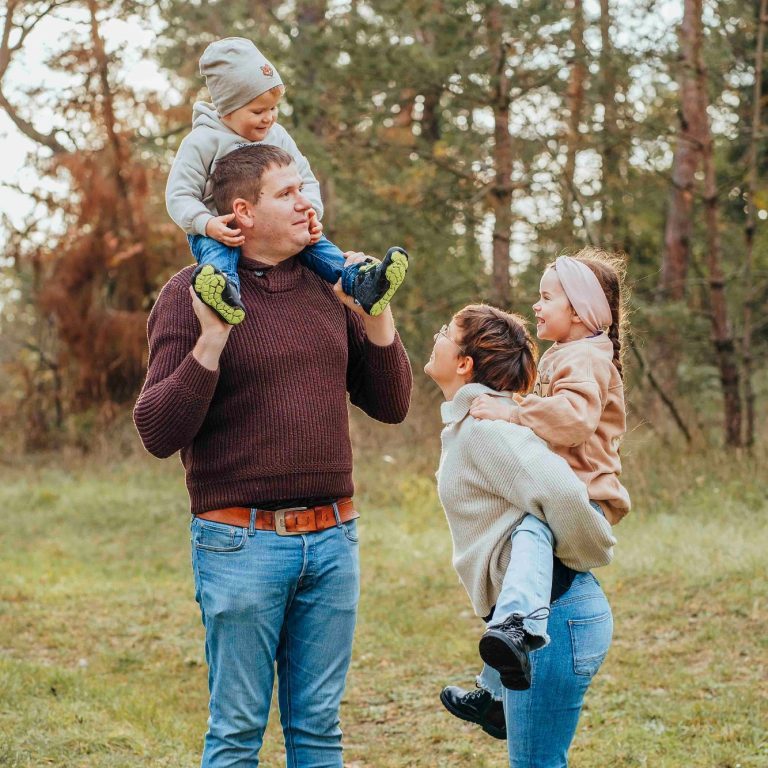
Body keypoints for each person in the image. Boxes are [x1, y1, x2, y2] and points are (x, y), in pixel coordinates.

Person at [135, 143, 412, 767]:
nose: (305, 202)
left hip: (335, 538)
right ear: (243, 211)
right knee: (236, 733)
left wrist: (375, 311)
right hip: (240, 545)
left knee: (318, 730)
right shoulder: (191, 293)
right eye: (287, 192)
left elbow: (391, 404)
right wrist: (211, 340)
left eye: (303, 190)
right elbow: (156, 430)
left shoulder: (328, 281)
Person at [425, 304, 615, 766]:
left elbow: (564, 495)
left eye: (446, 332)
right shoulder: (473, 425)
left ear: (465, 363)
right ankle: (490, 694)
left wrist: (586, 551)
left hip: (557, 621)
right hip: (551, 618)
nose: (436, 337)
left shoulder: (487, 431)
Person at [463, 250, 630, 693]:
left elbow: (574, 421)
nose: (536, 306)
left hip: (584, 492)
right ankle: (495, 693)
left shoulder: (586, 357)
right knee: (519, 544)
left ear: (578, 311)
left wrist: (514, 411)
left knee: (530, 535)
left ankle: (519, 627)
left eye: (546, 297)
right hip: (560, 488)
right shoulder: (566, 353)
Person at [166, 36, 409, 325]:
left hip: (276, 225)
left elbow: (305, 177)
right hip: (222, 227)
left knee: (315, 245)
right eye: (258, 111)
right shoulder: (202, 141)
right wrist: (206, 224)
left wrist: (311, 213)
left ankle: (360, 283)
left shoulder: (277, 136)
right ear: (226, 108)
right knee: (216, 255)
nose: (268, 118)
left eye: (273, 109)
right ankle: (222, 294)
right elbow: (179, 194)